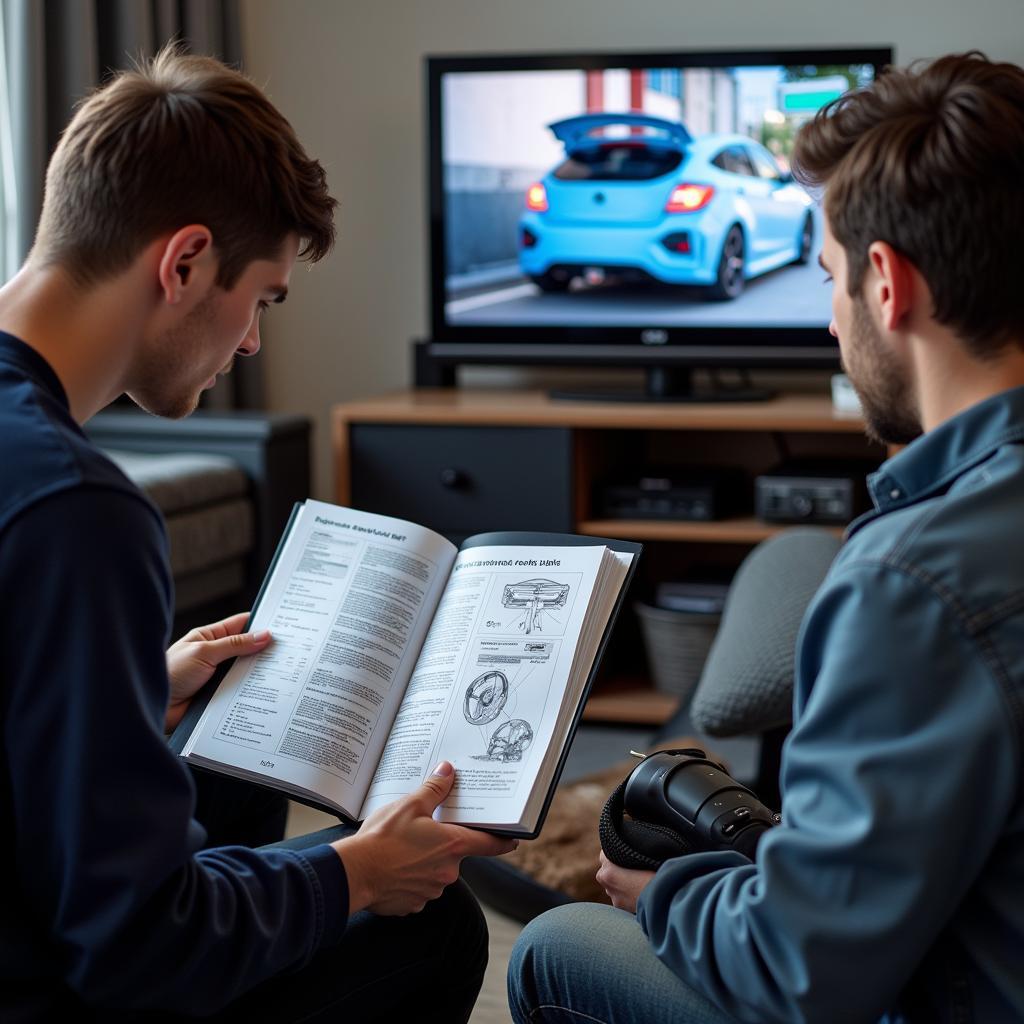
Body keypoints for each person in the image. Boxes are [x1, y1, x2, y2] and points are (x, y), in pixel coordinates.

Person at [0, 47, 516, 1022]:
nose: (249, 343)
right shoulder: (77, 509)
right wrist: (358, 873)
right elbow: (138, 946)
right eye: (263, 299)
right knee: (430, 925)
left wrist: (133, 687)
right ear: (186, 261)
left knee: (225, 773)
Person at [508, 51, 1024, 1024]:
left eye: (827, 277)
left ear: (886, 283)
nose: (830, 323)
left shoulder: (912, 582)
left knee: (553, 948)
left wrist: (666, 896)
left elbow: (798, 977)